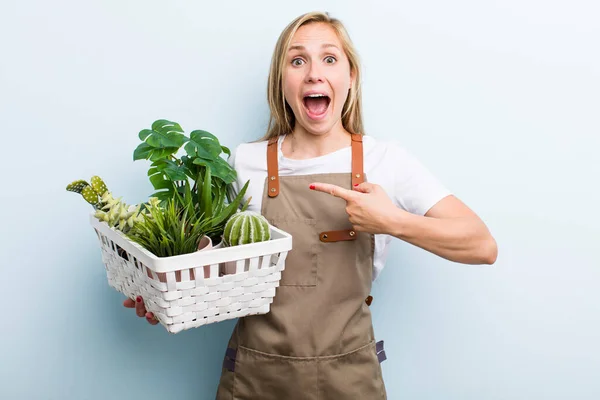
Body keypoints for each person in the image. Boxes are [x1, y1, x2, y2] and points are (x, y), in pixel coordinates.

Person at [125, 11, 498, 399]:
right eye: (297, 60)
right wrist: (164, 294)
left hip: (349, 380)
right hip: (255, 378)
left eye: (330, 59)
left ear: (350, 78)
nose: (314, 73)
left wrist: (392, 221)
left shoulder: (385, 161)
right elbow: (217, 265)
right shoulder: (245, 161)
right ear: (282, 82)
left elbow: (482, 245)